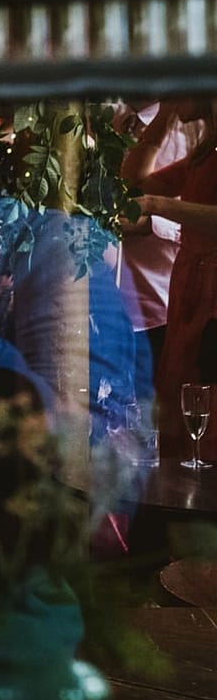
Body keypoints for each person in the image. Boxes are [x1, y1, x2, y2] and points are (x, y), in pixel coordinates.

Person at [126, 98, 217, 463]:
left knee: (204, 387)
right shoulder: (205, 150)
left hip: (212, 294)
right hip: (189, 286)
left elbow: (149, 200)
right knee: (181, 393)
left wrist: (159, 207)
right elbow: (133, 183)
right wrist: (163, 118)